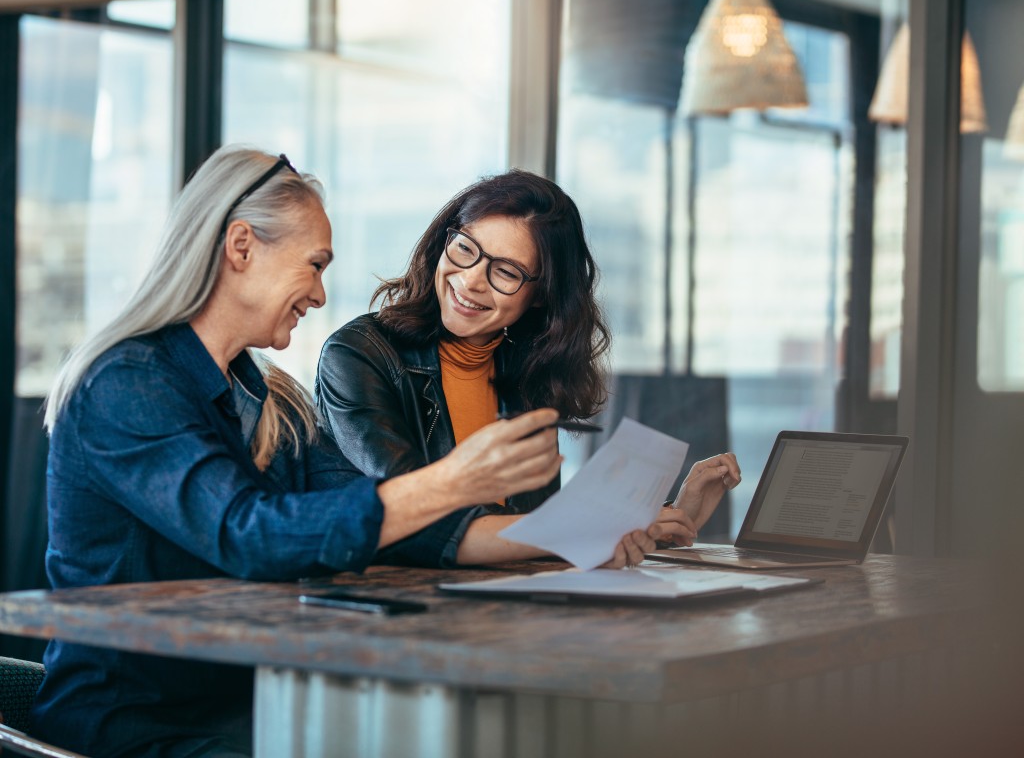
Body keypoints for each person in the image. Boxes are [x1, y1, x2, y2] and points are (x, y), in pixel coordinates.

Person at [30, 147, 626, 758]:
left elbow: (382, 525)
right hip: (133, 724)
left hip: (249, 702)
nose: (319, 294)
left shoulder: (270, 397)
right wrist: (451, 482)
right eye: (314, 265)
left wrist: (588, 529)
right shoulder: (127, 382)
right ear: (241, 247)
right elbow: (247, 534)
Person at [315, 169, 742, 567]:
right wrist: (586, 531)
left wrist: (664, 520)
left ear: (540, 296)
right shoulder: (359, 354)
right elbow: (414, 516)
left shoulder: (528, 372)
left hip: (502, 607)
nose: (471, 280)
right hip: (395, 611)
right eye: (465, 248)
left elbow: (536, 529)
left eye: (506, 271)